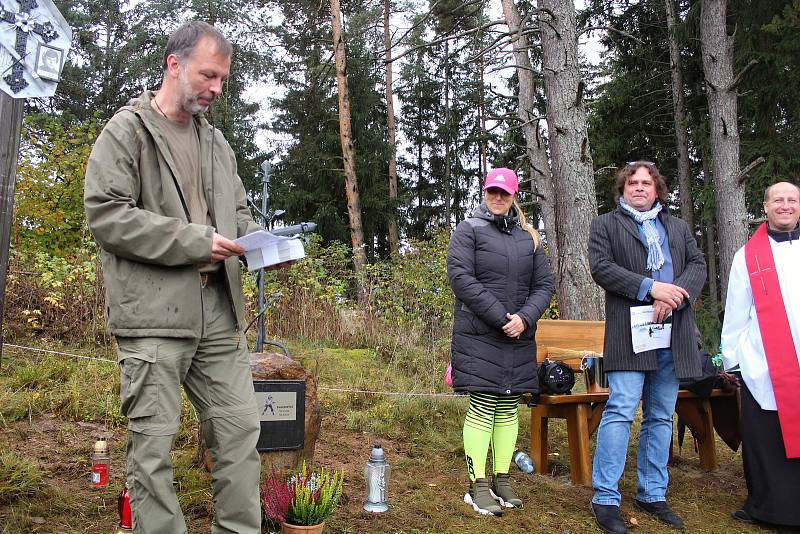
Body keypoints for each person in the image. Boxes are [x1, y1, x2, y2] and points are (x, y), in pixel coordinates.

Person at [84, 21, 290, 534]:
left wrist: (265, 247)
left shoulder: (217, 142)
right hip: (154, 318)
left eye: (222, 79)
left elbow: (238, 215)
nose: (217, 88)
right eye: (209, 75)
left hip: (218, 314)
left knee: (241, 429)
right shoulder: (127, 131)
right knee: (153, 445)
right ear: (174, 65)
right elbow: (107, 216)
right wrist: (196, 241)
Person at [587, 161, 706, 534]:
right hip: (628, 333)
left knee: (660, 415)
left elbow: (698, 265)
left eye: (647, 183)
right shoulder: (605, 225)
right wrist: (651, 288)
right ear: (623, 188)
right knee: (621, 409)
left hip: (674, 331)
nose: (640, 188)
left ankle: (652, 493)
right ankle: (605, 497)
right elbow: (602, 268)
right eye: (633, 182)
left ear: (657, 189)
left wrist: (674, 296)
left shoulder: (677, 226)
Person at [447, 167, 555, 516]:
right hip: (480, 334)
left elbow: (545, 286)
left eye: (504, 193)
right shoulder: (468, 230)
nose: (497, 198)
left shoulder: (530, 237)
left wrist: (524, 318)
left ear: (514, 196)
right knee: (482, 406)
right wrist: (501, 317)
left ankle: (501, 478)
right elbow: (460, 277)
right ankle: (476, 485)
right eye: (492, 191)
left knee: (508, 407)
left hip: (519, 335)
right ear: (485, 192)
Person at [721, 181, 800, 528]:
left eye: (792, 200)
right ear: (765, 207)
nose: (785, 205)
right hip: (765, 363)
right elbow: (736, 311)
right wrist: (732, 360)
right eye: (778, 200)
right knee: (767, 437)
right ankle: (769, 507)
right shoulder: (747, 256)